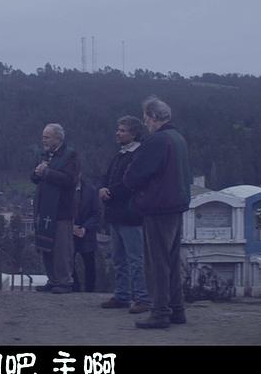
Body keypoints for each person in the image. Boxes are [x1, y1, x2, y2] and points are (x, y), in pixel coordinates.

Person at [123, 96, 191, 328]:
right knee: (171, 260)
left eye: (145, 118)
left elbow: (134, 175)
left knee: (157, 262)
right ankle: (177, 309)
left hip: (158, 207)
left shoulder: (157, 141)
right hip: (176, 206)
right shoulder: (178, 138)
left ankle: (160, 312)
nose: (145, 123)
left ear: (153, 117)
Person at [98, 116, 151, 314]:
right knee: (119, 258)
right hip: (115, 213)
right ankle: (122, 295)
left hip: (131, 214)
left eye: (122, 130)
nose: (118, 133)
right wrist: (102, 188)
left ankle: (142, 298)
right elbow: (106, 176)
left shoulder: (139, 155)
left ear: (133, 133)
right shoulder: (120, 155)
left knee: (136, 259)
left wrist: (110, 192)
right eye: (118, 129)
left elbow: (132, 182)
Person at [31, 123, 79, 294]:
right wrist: (36, 173)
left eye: (47, 137)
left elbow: (70, 180)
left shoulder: (70, 155)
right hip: (44, 209)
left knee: (61, 248)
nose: (43, 140)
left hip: (61, 209)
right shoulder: (43, 155)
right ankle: (52, 279)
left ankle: (65, 281)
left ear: (58, 138)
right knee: (46, 245)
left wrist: (47, 173)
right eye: (43, 137)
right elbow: (35, 178)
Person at [72, 178, 100, 292]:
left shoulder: (91, 190)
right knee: (68, 261)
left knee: (89, 263)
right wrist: (71, 226)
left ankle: (90, 290)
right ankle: (75, 287)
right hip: (69, 232)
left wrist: (85, 227)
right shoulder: (65, 189)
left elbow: (97, 213)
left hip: (87, 233)